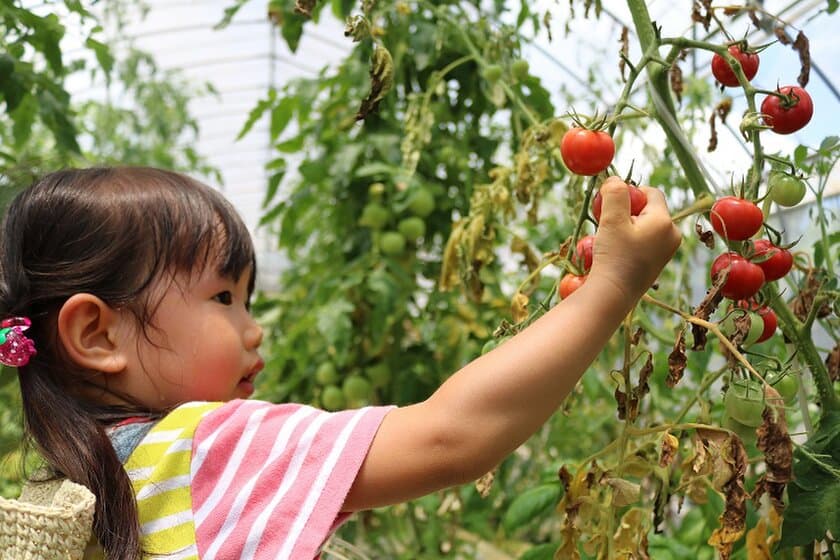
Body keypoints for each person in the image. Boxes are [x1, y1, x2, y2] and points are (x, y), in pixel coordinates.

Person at [0, 166, 680, 559]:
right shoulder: (201, 448)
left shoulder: (76, 481)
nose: (254, 329)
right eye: (224, 296)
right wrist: (613, 286)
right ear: (96, 334)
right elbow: (453, 435)